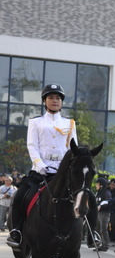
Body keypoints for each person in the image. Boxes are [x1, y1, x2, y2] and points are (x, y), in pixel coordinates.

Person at [7, 84, 78, 248]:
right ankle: (16, 231)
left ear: (62, 102)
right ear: (44, 101)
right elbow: (32, 146)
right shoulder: (36, 122)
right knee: (20, 196)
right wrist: (40, 165)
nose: (55, 101)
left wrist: (68, 168)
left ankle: (90, 234)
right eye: (51, 97)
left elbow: (72, 149)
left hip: (62, 173)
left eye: (58, 98)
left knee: (84, 195)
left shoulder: (70, 124)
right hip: (40, 171)